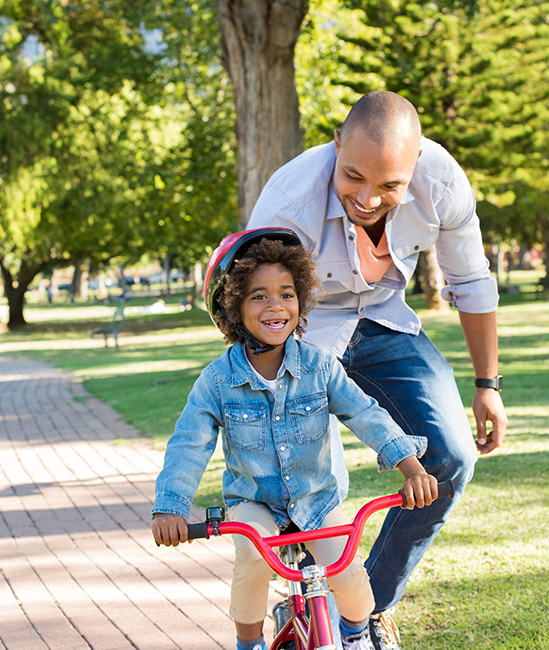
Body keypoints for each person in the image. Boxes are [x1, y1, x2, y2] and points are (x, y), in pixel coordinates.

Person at [246, 91, 509, 649]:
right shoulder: (288, 203)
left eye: (389, 186)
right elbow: (259, 309)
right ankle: (304, 601)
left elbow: (472, 282)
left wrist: (487, 386)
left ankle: (366, 611)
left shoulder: (442, 183)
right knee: (308, 482)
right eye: (353, 177)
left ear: (415, 165)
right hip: (300, 330)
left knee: (452, 456)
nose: (367, 198)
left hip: (386, 322)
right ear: (336, 144)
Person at [151, 228, 438, 650]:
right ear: (231, 309)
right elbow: (188, 446)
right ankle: (248, 644)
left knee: (349, 572)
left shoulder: (320, 367)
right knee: (251, 559)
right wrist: (170, 509)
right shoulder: (217, 380)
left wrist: (411, 467)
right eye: (258, 296)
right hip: (254, 502)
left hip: (317, 497)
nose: (276, 306)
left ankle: (356, 635)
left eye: (287, 293)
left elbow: (365, 414)